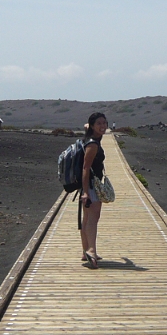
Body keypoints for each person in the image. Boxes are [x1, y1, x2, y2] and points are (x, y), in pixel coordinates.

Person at [79, 112, 107, 268]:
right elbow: (86, 167)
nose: (103, 126)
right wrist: (85, 192)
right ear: (93, 126)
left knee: (87, 217)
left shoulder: (91, 138)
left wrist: (88, 126)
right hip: (90, 186)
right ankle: (91, 251)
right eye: (99, 124)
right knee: (93, 219)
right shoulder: (93, 144)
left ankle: (85, 251)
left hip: (88, 185)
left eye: (105, 123)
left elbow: (88, 127)